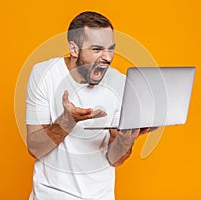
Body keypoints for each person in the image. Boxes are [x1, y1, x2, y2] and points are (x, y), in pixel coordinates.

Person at [26, 11, 150, 200]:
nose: (107, 57)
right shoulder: (44, 74)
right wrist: (67, 121)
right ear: (74, 50)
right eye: (97, 49)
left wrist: (126, 138)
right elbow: (35, 148)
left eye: (111, 49)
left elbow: (115, 159)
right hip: (51, 195)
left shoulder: (119, 83)